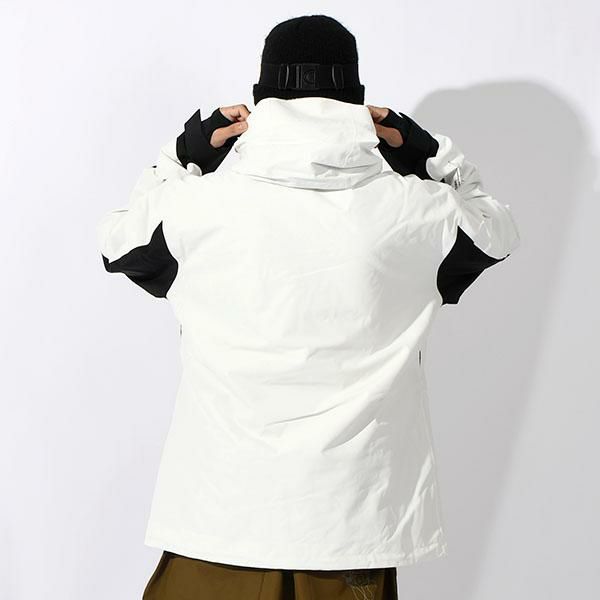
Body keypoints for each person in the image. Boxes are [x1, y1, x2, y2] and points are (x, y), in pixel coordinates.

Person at [97, 14, 520, 600]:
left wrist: (184, 155)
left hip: (218, 526)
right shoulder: (417, 213)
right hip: (350, 538)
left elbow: (117, 244)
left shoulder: (196, 207)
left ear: (262, 97)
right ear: (358, 101)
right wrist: (425, 153)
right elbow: (495, 230)